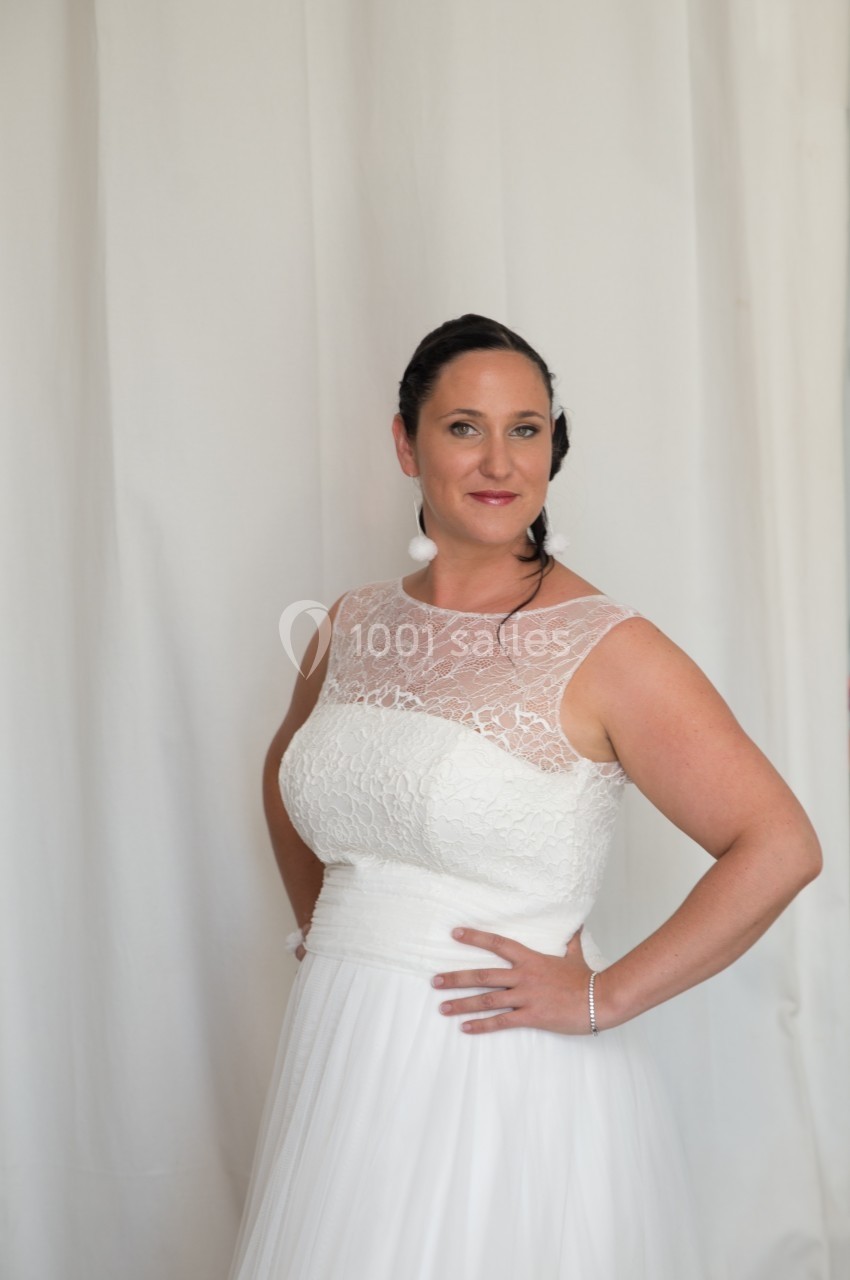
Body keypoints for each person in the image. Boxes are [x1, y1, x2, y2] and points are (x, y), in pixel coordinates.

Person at [228, 314, 822, 1279]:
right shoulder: (351, 622)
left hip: (499, 1071)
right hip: (344, 1049)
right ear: (405, 443)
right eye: (465, 427)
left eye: (527, 429)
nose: (500, 461)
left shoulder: (611, 649)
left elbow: (780, 843)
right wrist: (325, 929)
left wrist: (602, 996)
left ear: (554, 446)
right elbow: (289, 770)